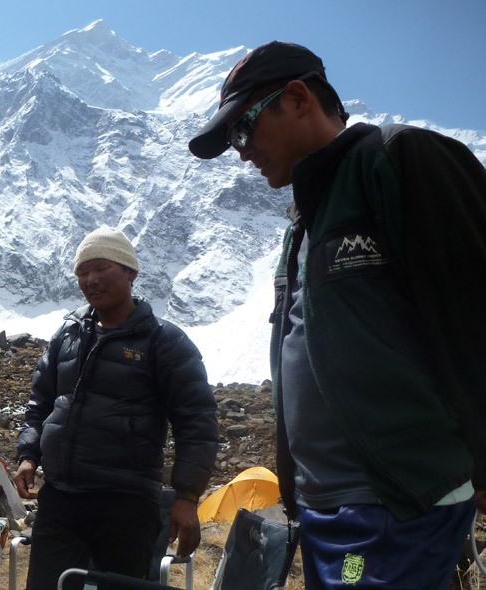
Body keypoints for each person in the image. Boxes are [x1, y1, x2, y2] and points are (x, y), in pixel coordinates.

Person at [189, 41, 486, 589]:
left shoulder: (400, 160)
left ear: (298, 97)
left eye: (244, 127)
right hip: (330, 510)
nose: (242, 151)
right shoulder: (305, 222)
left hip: (393, 502)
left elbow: (473, 312)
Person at [13, 226, 219, 590]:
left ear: (130, 272)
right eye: (81, 272)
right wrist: (28, 454)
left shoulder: (164, 341)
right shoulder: (69, 332)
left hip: (125, 505)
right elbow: (41, 402)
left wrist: (187, 497)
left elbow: (197, 422)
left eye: (101, 268)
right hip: (60, 499)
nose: (90, 279)